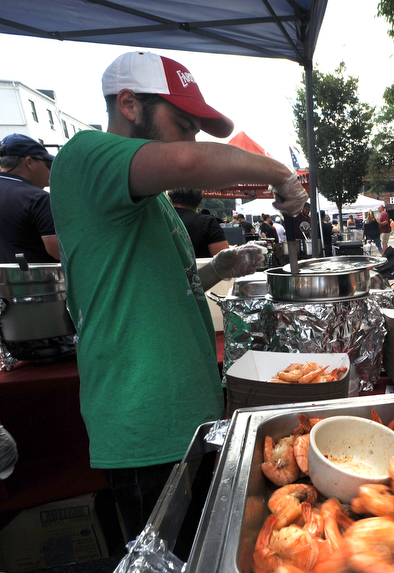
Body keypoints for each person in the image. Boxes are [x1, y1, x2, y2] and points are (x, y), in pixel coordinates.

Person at [48, 50, 307, 543]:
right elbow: (192, 158)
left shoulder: (146, 200)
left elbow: (163, 289)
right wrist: (280, 173)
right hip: (147, 425)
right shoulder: (85, 156)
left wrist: (219, 268)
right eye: (182, 123)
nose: (190, 138)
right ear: (129, 104)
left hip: (188, 419)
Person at [0, 134, 59, 263]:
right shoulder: (37, 198)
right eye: (47, 164)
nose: (50, 172)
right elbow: (59, 251)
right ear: (30, 162)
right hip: (31, 281)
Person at [167, 188, 229, 258]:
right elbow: (224, 259)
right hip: (199, 268)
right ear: (199, 202)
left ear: (170, 200)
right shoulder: (207, 222)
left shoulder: (161, 220)